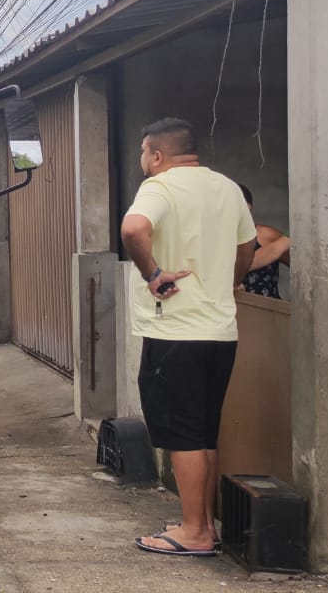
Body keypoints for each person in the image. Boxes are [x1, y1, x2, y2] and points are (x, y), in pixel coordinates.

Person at [119, 118, 256, 557]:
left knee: (183, 435)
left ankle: (194, 531)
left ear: (157, 155)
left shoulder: (159, 187)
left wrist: (152, 274)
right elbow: (247, 246)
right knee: (202, 432)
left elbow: (133, 229)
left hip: (177, 330)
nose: (143, 160)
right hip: (220, 332)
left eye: (144, 152)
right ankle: (204, 525)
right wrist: (229, 281)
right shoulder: (228, 188)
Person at [236, 183, 289, 299]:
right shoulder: (213, 240)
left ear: (250, 208)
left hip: (267, 307)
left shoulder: (264, 235)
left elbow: (300, 264)